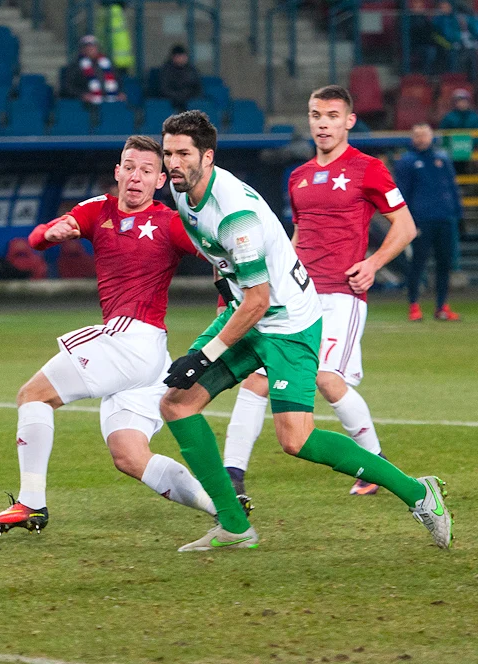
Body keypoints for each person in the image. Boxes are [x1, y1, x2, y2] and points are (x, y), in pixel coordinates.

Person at [157, 110, 451, 552]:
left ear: (208, 156)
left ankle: (417, 492)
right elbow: (231, 274)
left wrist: (203, 355)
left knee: (295, 438)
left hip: (288, 324)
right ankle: (236, 527)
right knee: (177, 404)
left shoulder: (235, 212)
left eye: (183, 153)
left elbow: (259, 299)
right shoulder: (184, 193)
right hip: (249, 311)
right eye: (168, 154)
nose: (173, 162)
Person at [0, 135, 229, 535]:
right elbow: (40, 236)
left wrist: (227, 298)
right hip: (149, 360)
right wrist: (53, 233)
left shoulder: (168, 222)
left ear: (160, 180)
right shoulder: (98, 209)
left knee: (32, 395)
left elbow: (221, 253)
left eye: (146, 171)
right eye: (129, 167)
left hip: (131, 339)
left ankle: (31, 504)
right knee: (129, 455)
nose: (135, 177)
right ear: (117, 171)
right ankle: (224, 506)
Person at [221, 85, 420, 500]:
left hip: (342, 295)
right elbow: (297, 236)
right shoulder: (298, 176)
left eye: (331, 115)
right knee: (257, 380)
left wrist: (373, 264)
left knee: (328, 379)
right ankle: (232, 475)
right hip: (296, 297)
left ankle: (374, 463)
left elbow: (405, 227)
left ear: (348, 121)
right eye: (316, 115)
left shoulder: (368, 168)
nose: (323, 123)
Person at [395, 122, 463, 322]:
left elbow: (452, 188)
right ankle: (414, 305)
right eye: (418, 135)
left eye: (425, 135)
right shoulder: (407, 162)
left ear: (431, 136)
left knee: (445, 264)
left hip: (445, 219)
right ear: (412, 138)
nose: (422, 139)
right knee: (418, 264)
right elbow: (402, 193)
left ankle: (441, 306)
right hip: (421, 220)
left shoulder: (442, 158)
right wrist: (406, 221)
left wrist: (457, 214)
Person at [60, 35, 125, 104]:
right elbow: (68, 87)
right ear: (82, 49)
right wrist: (82, 95)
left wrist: (120, 92)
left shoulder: (108, 63)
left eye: (92, 46)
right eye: (87, 47)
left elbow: (118, 81)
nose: (90, 49)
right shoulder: (75, 66)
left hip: (110, 101)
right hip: (86, 104)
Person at [158, 44, 202, 113]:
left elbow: (198, 87)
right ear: (174, 57)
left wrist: (189, 96)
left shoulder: (191, 70)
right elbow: (164, 89)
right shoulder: (166, 70)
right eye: (179, 56)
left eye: (183, 56)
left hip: (189, 100)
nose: (182, 58)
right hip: (172, 101)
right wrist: (178, 96)